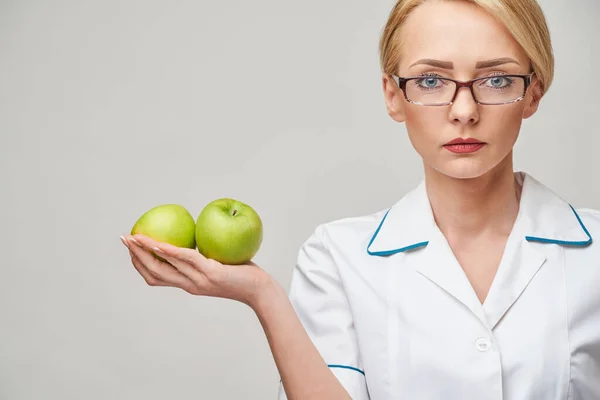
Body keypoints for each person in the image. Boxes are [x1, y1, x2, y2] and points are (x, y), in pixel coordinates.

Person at [120, 0, 600, 398]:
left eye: (496, 79)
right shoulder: (337, 257)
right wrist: (262, 295)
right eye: (431, 80)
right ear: (393, 96)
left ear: (533, 92)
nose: (464, 111)